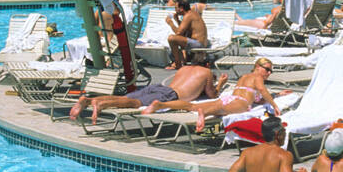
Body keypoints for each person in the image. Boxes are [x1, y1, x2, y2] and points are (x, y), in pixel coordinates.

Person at [144, 57, 280, 132]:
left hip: (231, 98)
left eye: (270, 71)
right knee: (221, 109)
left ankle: (160, 105)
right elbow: (262, 91)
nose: (268, 73)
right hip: (241, 103)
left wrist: (276, 95)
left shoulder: (245, 76)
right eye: (267, 69)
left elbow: (258, 98)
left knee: (191, 106)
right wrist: (274, 106)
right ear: (257, 67)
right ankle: (205, 113)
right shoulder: (258, 77)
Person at [68, 64, 227, 124]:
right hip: (170, 95)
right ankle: (103, 104)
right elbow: (212, 95)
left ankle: (88, 100)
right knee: (135, 104)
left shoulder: (185, 68)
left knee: (123, 98)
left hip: (157, 87)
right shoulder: (206, 73)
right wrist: (220, 83)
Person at [165, 0, 208, 68]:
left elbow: (178, 33)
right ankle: (182, 60)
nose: (175, 10)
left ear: (181, 8)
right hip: (200, 43)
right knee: (178, 38)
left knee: (171, 38)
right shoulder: (192, 14)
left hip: (198, 44)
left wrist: (170, 23)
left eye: (176, 8)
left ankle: (177, 64)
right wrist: (177, 20)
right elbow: (183, 31)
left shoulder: (188, 15)